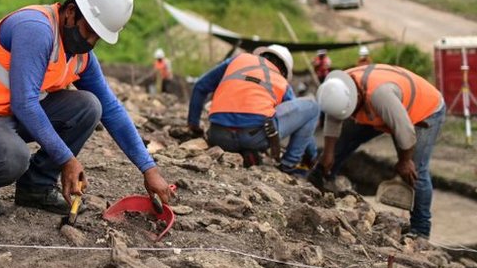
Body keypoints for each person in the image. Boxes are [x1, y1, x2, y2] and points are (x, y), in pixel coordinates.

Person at [0, 0, 173, 216]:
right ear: (70, 12)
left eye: (97, 38)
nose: (90, 41)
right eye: (88, 30)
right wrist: (67, 159)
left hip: (9, 116)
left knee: (90, 106)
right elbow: (25, 103)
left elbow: (111, 108)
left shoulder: (81, 55)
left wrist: (148, 168)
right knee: (13, 158)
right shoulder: (36, 29)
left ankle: (35, 188)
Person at [314, 66, 445, 239]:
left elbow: (405, 131)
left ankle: (420, 230)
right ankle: (321, 183)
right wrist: (328, 153)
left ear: (356, 98)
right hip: (385, 108)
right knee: (343, 141)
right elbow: (334, 116)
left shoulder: (380, 96)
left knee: (416, 170)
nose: (349, 116)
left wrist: (404, 161)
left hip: (426, 110)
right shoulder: (338, 87)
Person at [187, 45, 319, 174]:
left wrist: (194, 125)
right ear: (284, 71)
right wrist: (312, 154)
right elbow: (299, 116)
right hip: (254, 138)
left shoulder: (237, 60)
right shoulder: (281, 81)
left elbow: (200, 86)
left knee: (241, 133)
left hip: (218, 135)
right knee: (313, 107)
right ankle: (288, 165)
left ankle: (244, 152)